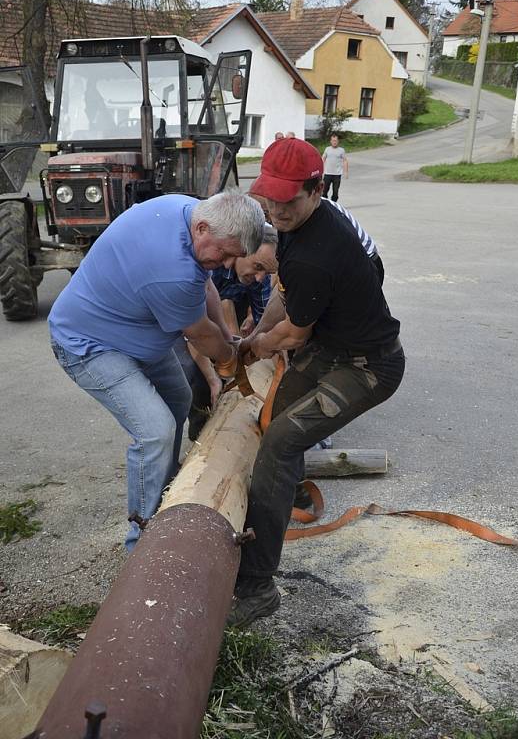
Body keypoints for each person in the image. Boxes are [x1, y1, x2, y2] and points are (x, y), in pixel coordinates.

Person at [228, 139, 405, 627]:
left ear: (317, 188)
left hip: (369, 366)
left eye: (290, 199)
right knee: (275, 416)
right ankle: (291, 495)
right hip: (332, 348)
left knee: (282, 440)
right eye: (271, 197)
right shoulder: (301, 226)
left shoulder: (318, 252)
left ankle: (257, 585)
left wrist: (255, 347)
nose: (278, 209)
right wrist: (257, 331)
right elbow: (285, 299)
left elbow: (292, 332)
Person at [48, 190, 265, 551]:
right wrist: (230, 357)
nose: (228, 264)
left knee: (179, 400)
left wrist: (230, 336)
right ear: (202, 228)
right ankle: (143, 539)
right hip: (89, 345)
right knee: (155, 431)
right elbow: (200, 334)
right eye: (225, 253)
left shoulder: (183, 209)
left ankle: (166, 490)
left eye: (235, 257)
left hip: (132, 333)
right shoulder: (172, 269)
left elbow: (206, 286)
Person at [181, 224, 279, 440]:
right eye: (258, 266)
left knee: (229, 342)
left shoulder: (257, 276)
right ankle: (199, 436)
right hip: (182, 319)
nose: (260, 277)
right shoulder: (208, 264)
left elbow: (265, 325)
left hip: (219, 305)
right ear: (242, 249)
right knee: (193, 375)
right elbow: (193, 333)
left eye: (267, 272)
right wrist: (213, 379)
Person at [322, 133, 348, 202]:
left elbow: (345, 161)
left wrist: (346, 172)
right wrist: (320, 171)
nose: (334, 142)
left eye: (335, 141)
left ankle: (334, 204)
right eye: (333, 140)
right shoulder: (327, 149)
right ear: (330, 141)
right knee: (324, 192)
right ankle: (325, 204)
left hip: (337, 175)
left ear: (338, 141)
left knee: (335, 193)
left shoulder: (341, 150)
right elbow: (323, 159)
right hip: (327, 174)